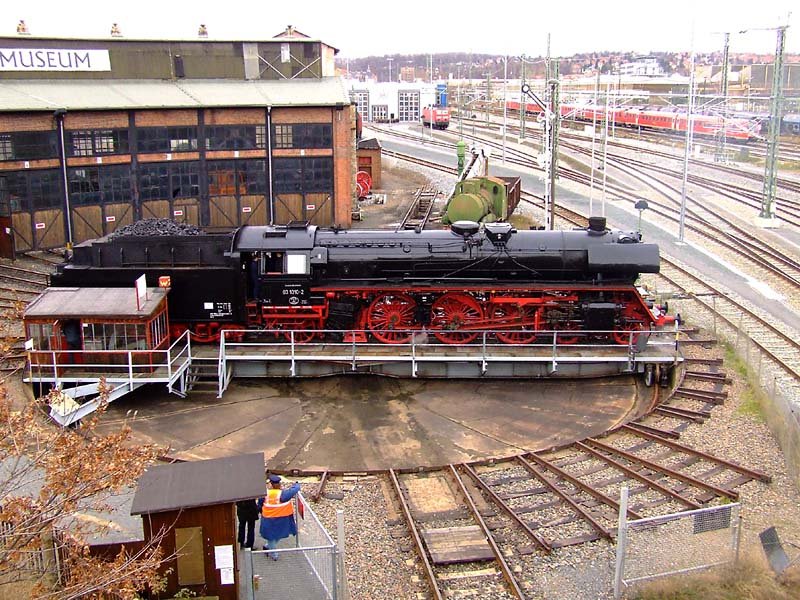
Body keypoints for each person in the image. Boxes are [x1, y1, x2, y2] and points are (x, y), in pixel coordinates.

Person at [257, 474, 301, 560]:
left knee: (272, 536)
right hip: (280, 518)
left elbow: (260, 504)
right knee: (274, 537)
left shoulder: (265, 493)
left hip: (268, 519)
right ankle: (274, 554)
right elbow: (293, 491)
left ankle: (268, 547)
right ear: (277, 484)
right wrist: (297, 485)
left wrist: (261, 512)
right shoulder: (282, 494)